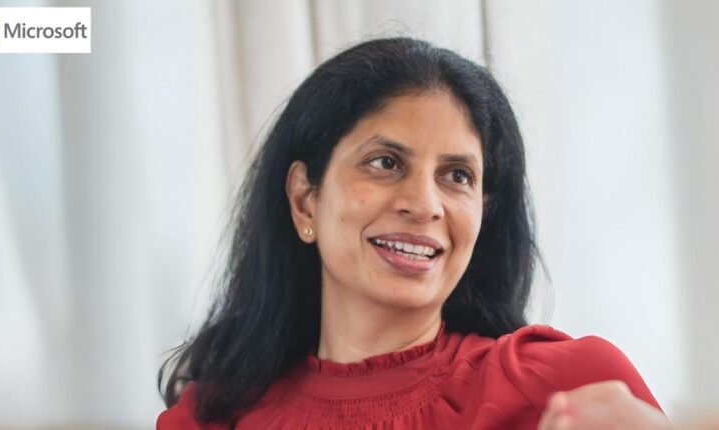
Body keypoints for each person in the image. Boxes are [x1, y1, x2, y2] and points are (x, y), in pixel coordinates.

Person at [156, 37, 670, 429]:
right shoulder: (208, 419)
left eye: (457, 176)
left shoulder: (573, 389)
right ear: (304, 198)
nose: (425, 205)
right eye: (385, 162)